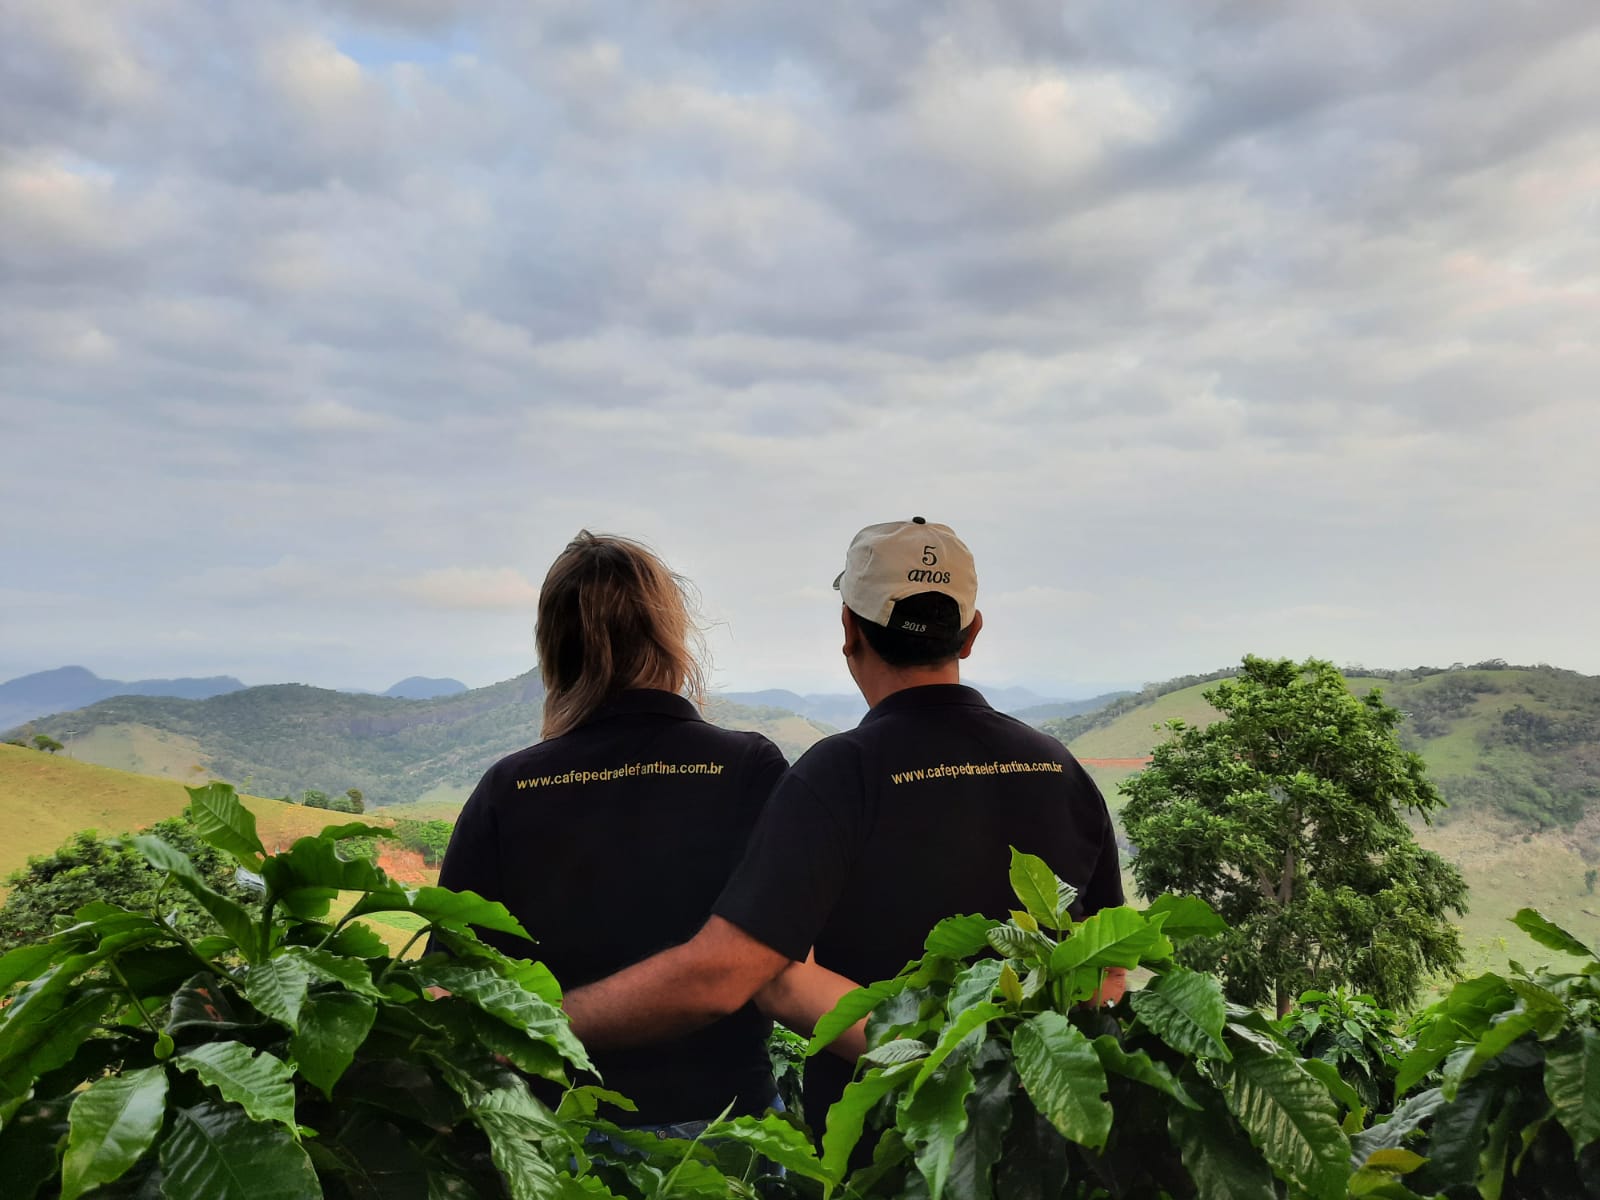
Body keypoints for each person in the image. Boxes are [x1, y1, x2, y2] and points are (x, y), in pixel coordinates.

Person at [563, 517, 1127, 1129]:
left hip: (881, 1148)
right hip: (1045, 1135)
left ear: (849, 629)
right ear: (970, 635)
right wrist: (1018, 1067)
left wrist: (941, 1058)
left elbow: (777, 982)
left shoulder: (838, 776)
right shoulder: (1059, 766)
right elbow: (1106, 966)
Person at [433, 530, 792, 1127]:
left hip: (557, 1139)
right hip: (726, 1131)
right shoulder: (749, 769)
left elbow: (449, 990)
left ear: (554, 647)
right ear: (669, 637)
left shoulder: (509, 789)